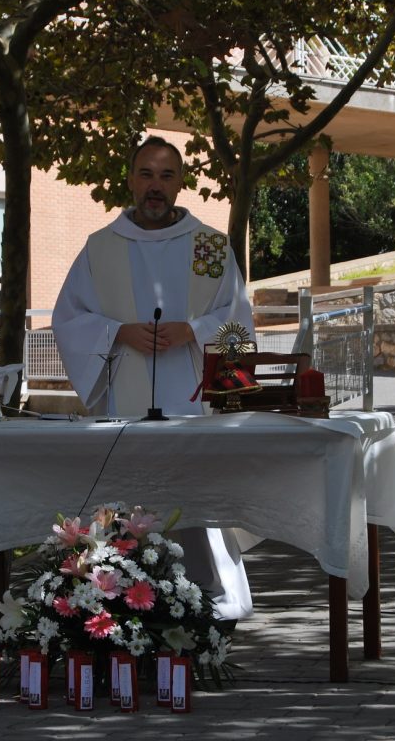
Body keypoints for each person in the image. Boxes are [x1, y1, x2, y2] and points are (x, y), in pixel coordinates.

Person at [52, 135, 255, 620]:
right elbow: (69, 319)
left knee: (195, 495)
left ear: (181, 182)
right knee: (129, 494)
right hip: (126, 402)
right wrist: (118, 332)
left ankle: (212, 599)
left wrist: (195, 330)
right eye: (146, 174)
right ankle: (122, 601)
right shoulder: (101, 248)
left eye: (166, 175)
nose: (156, 186)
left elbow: (238, 320)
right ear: (130, 180)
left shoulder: (209, 245)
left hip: (193, 402)